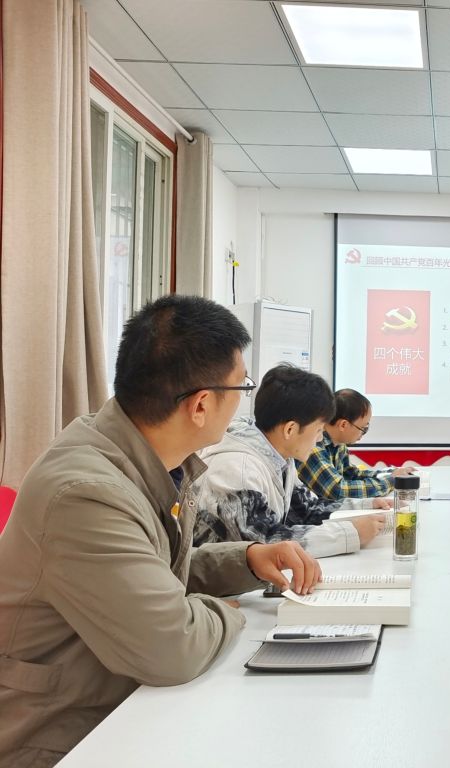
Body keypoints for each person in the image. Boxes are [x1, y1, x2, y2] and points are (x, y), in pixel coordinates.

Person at [0, 295, 323, 767]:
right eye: (242, 387)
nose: (243, 403)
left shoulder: (144, 455)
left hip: (120, 707)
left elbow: (150, 570)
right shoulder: (86, 493)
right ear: (201, 404)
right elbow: (172, 647)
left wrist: (247, 559)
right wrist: (227, 612)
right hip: (62, 735)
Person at [193, 367, 387, 558]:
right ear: (290, 430)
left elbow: (307, 509)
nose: (320, 439)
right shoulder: (237, 469)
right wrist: (350, 533)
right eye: (318, 430)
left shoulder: (279, 456)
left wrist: (366, 505)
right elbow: (265, 543)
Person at [297, 388, 414, 502]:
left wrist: (391, 474)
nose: (364, 433)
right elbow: (337, 491)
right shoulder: (313, 446)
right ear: (343, 425)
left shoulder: (338, 443)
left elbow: (352, 474)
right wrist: (391, 481)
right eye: (363, 428)